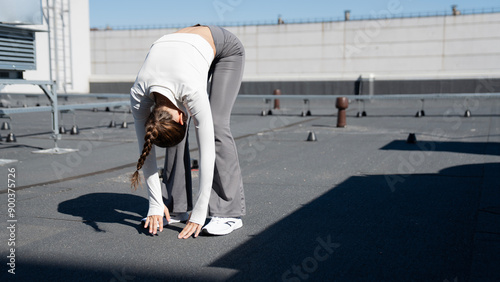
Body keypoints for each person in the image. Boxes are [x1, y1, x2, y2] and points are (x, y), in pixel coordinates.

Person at [129, 25, 246, 239]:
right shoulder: (138, 96)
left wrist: (201, 212)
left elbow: (207, 152)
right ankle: (176, 207)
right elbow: (145, 152)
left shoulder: (190, 91)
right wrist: (155, 204)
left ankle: (228, 213)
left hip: (224, 47)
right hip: (182, 50)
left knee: (217, 125)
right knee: (164, 131)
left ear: (184, 117)